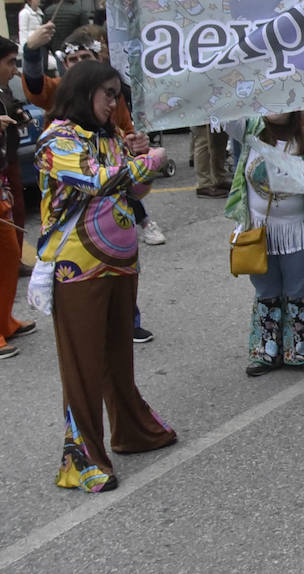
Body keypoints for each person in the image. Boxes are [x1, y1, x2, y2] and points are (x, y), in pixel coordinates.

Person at [25, 61, 176, 491]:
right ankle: (81, 460)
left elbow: (135, 190)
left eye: (118, 95)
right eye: (108, 94)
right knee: (84, 365)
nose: (114, 103)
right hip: (78, 269)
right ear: (84, 91)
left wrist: (140, 159)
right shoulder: (57, 138)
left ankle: (132, 430)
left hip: (121, 263)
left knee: (117, 356)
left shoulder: (108, 136)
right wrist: (148, 161)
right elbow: (95, 182)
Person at [224, 113, 304, 377]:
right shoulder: (250, 130)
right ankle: (267, 352)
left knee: (298, 288)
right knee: (266, 289)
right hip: (258, 230)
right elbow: (226, 115)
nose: (278, 109)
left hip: (297, 230)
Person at [0, 38, 36, 361]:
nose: (14, 71)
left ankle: (5, 320)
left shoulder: (2, 94)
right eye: (10, 62)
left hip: (1, 183)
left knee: (10, 253)